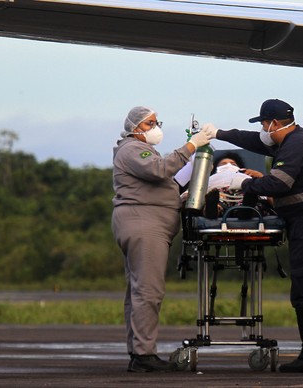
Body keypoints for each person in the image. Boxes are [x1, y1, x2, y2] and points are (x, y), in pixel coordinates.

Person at [202, 98, 303, 373]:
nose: (263, 129)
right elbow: (253, 140)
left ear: (275, 123)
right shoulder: (294, 138)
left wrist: (246, 182)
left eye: (265, 124)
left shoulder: (294, 146)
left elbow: (280, 183)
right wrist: (218, 133)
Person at [111, 106, 211, 372]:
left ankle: (138, 351)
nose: (155, 128)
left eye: (156, 122)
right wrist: (192, 145)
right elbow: (160, 169)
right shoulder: (133, 149)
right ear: (134, 128)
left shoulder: (139, 151)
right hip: (144, 224)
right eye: (149, 124)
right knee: (148, 291)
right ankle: (144, 355)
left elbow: (156, 183)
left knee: (138, 291)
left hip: (146, 221)